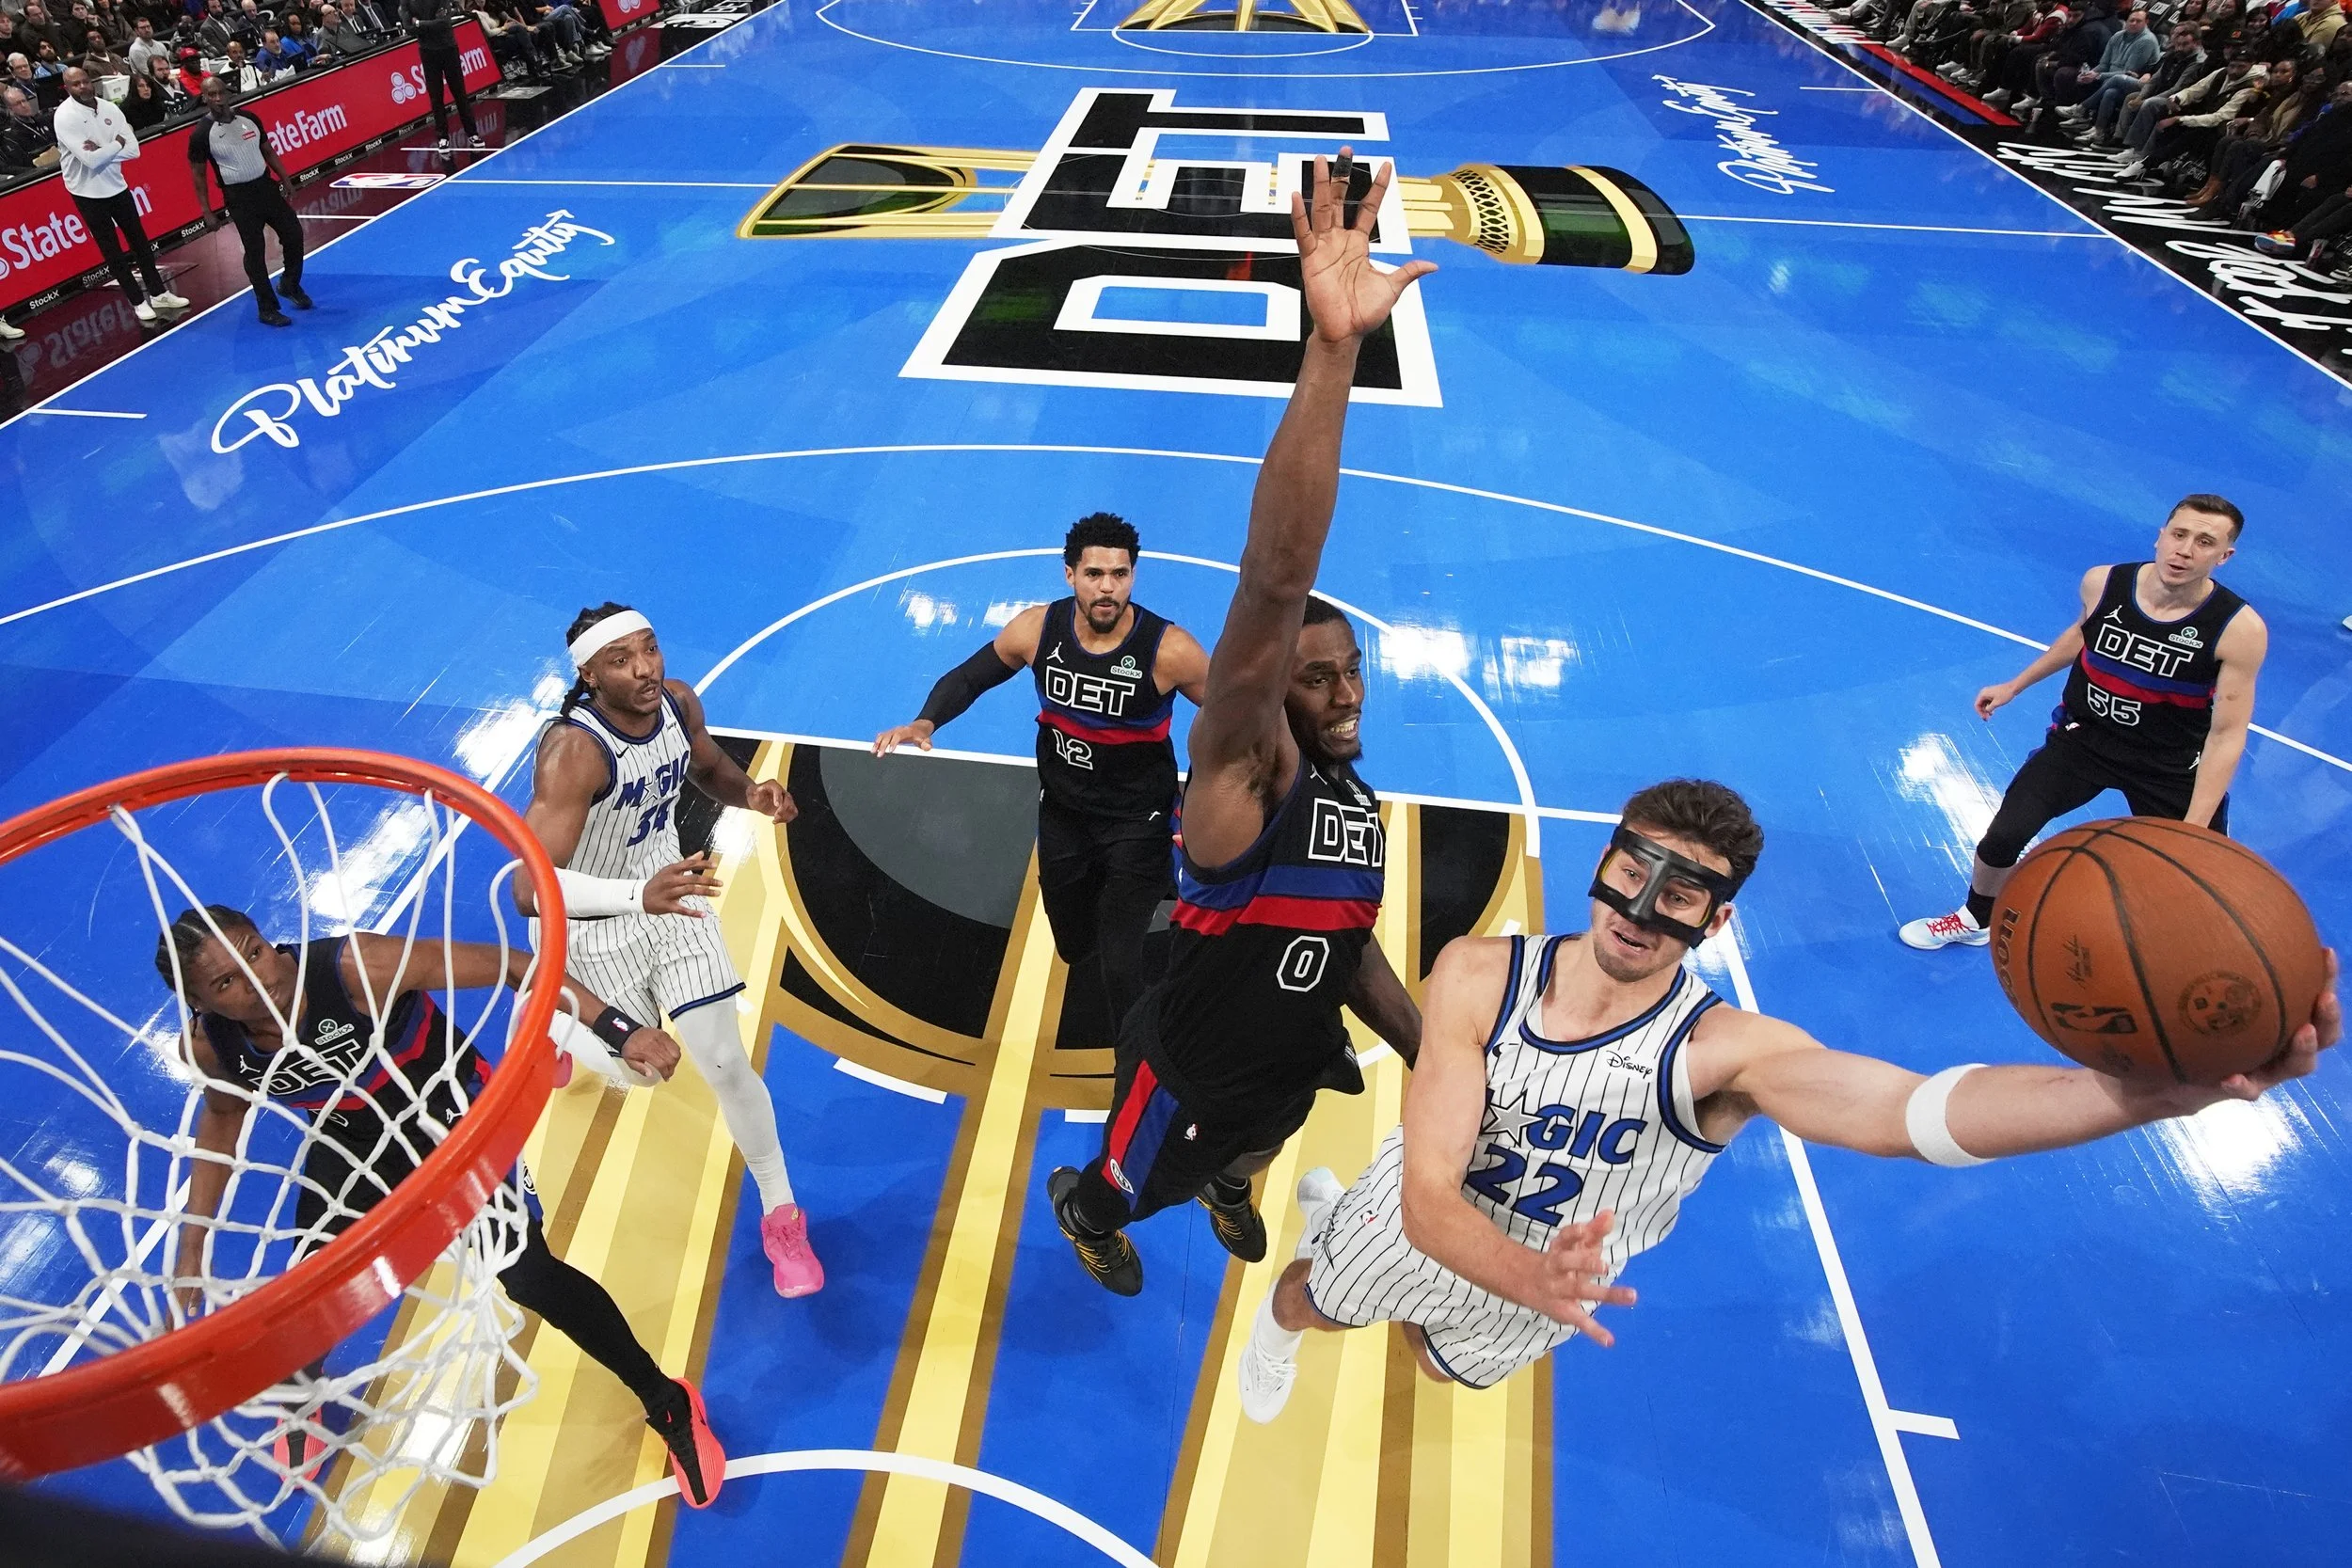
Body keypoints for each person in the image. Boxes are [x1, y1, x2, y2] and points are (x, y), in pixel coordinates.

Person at [1231, 779, 2341, 1419]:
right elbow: (1430, 1194)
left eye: (1684, 892)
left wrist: (2141, 1097)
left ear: (1716, 921)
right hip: (1465, 1239)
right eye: (1633, 867)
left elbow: (1911, 1112)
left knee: (1440, 1364)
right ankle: (1290, 1307)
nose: (1641, 905)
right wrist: (1532, 1273)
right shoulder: (1480, 971)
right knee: (1318, 1298)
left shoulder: (1727, 1051)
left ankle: (1374, 1267)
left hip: (1550, 1288)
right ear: (1603, 860)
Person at [1045, 152, 1428, 1297]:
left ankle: (1232, 1181)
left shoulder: (1352, 802)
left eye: (1351, 670)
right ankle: (1090, 1212)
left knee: (1262, 1143)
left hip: (1284, 1061)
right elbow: (1272, 579)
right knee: (1125, 1183)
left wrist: (1420, 1047)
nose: (1345, 691)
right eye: (1315, 678)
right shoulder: (1241, 776)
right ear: (1267, 696)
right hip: (1190, 1073)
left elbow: (1345, 939)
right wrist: (1332, 350)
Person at [156, 905, 730, 1509]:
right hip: (354, 1145)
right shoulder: (211, 1045)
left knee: (530, 1278)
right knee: (309, 1294)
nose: (259, 978)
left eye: (253, 950)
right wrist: (192, 1247)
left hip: (458, 1126)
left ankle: (668, 1403)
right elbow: (223, 1114)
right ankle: (301, 1396)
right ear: (200, 1004)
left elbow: (515, 965)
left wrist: (621, 1031)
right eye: (225, 982)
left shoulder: (358, 968)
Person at [516, 602, 825, 1298]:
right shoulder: (574, 752)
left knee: (723, 1060)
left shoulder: (678, 701)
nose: (646, 667)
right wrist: (634, 896)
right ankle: (546, 1011)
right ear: (591, 675)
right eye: (621, 660)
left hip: (672, 893)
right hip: (590, 920)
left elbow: (706, 765)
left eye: (650, 648)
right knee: (644, 1074)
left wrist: (752, 792)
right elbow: (528, 892)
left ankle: (782, 1213)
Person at [873, 514, 1211, 1038]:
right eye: (1095, 574)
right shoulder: (1036, 630)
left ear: (1133, 577)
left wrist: (1225, 798)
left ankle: (1142, 1074)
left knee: (1120, 964)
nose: (1107, 588)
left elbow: (1240, 722)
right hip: (1063, 812)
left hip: (1137, 820)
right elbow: (970, 677)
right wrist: (925, 719)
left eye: (1120, 575)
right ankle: (1149, 890)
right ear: (1069, 574)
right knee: (1074, 944)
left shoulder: (1169, 650)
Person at [1900, 497, 2265, 950]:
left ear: (2224, 556)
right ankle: (1977, 918)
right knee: (2003, 837)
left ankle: (2183, 965)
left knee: (2195, 878)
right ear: (2160, 535)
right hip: (2084, 742)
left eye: (2205, 541)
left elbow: (2227, 733)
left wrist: (2192, 827)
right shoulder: (2104, 582)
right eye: (2179, 534)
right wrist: (2016, 684)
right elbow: (2081, 634)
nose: (2185, 550)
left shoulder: (2238, 629)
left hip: (2169, 765)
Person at [53, 65, 186, 324]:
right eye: (75, 84)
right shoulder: (64, 116)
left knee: (140, 242)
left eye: (85, 82)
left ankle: (159, 294)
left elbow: (134, 150)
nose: (82, 87)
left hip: (117, 185)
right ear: (67, 88)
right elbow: (90, 161)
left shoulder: (110, 108)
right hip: (87, 192)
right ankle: (137, 301)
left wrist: (105, 149)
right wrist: (115, 144)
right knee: (113, 251)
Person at [188, 74, 306, 324]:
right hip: (239, 197)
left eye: (221, 93)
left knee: (294, 233)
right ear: (205, 99)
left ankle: (289, 283)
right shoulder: (202, 133)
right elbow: (199, 175)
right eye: (212, 95)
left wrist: (285, 178)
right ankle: (267, 308)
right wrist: (207, 212)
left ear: (228, 94)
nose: (218, 99)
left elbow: (268, 150)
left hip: (266, 187)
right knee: (255, 251)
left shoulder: (249, 118)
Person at [404, 0, 477, 152]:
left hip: (448, 48)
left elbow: (444, 23)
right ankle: (443, 137)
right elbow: (408, 28)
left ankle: (472, 133)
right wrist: (424, 25)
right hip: (427, 52)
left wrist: (419, 23)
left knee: (459, 93)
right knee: (436, 97)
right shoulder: (406, 2)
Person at [118, 55, 160, 121]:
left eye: (148, 85)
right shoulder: (127, 109)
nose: (146, 89)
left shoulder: (157, 102)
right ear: (134, 88)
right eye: (141, 86)